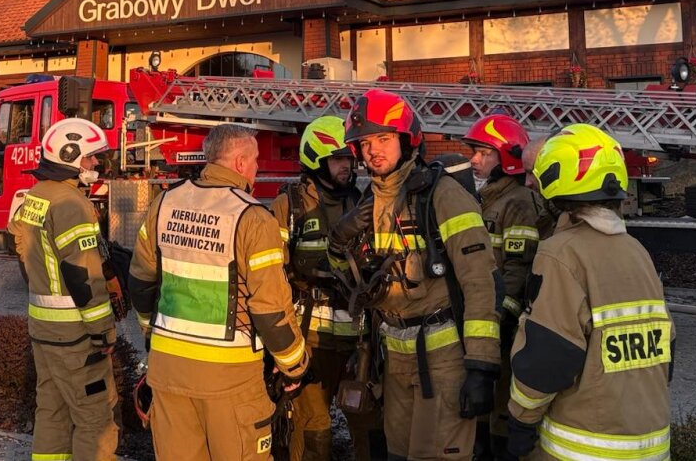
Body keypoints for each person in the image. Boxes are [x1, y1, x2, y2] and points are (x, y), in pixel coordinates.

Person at [331, 90, 501, 460]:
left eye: (383, 139)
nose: (373, 151)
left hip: (443, 361)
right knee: (398, 454)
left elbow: (480, 281)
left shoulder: (443, 195)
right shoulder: (371, 200)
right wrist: (340, 238)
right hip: (393, 359)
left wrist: (481, 366)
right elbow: (354, 284)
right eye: (365, 143)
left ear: (407, 139)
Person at [130, 123, 309, 461]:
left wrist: (151, 332)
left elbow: (140, 282)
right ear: (240, 162)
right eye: (255, 160)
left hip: (168, 371)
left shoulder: (164, 204)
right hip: (230, 380)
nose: (257, 168)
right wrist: (295, 364)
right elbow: (270, 310)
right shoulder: (253, 218)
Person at [506, 124, 674, 460]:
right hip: (651, 443)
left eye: (535, 176)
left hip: (581, 446)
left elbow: (549, 353)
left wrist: (520, 419)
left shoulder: (560, 252)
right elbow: (665, 346)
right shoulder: (636, 250)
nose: (530, 184)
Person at [270, 116, 383, 461]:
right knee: (312, 429)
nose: (346, 166)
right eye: (337, 160)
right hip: (311, 341)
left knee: (369, 424)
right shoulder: (290, 206)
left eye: (349, 159)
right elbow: (272, 276)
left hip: (358, 344)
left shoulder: (364, 203)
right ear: (316, 161)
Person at [8, 117, 119, 461]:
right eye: (90, 156)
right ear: (70, 156)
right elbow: (82, 274)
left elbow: (24, 249)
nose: (96, 162)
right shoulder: (72, 204)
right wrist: (103, 330)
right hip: (75, 335)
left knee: (52, 411)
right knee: (95, 419)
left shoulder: (35, 195)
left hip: (43, 329)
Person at [462, 116, 546, 460]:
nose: (474, 160)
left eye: (484, 153)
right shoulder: (484, 199)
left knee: (501, 406)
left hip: (504, 326)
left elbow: (518, 269)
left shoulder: (518, 203)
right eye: (474, 151)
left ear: (507, 158)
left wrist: (502, 318)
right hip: (484, 322)